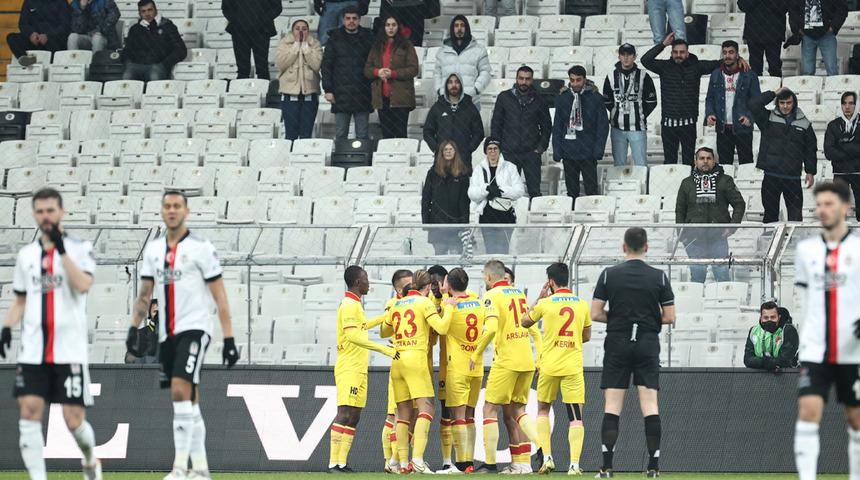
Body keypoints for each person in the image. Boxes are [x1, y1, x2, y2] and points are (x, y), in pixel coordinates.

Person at [125, 190, 240, 480]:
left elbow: (220, 295)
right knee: (188, 397)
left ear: (186, 211)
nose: (172, 210)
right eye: (167, 206)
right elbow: (145, 294)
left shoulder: (201, 248)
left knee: (179, 388)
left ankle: (179, 468)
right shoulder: (153, 251)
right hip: (168, 334)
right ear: (162, 211)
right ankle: (200, 470)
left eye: (177, 206)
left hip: (196, 328)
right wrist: (132, 327)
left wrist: (229, 339)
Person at [0, 188, 101, 480]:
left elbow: (83, 285)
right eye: (40, 211)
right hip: (33, 351)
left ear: (62, 212)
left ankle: (91, 460)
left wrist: (61, 250)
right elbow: (21, 300)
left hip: (69, 350)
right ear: (34, 215)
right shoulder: (26, 255)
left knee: (73, 420)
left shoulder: (80, 248)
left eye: (50, 211)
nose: (45, 216)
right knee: (29, 412)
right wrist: (6, 326)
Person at [590, 227, 676, 478]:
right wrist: (646, 320)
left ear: (624, 247)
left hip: (618, 342)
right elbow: (670, 317)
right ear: (646, 247)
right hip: (647, 343)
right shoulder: (659, 277)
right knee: (650, 404)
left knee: (612, 405)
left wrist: (619, 319)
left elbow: (595, 313)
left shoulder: (609, 274)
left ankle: (606, 467)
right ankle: (653, 467)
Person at [792, 180, 860, 480]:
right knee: (808, 412)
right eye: (818, 204)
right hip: (815, 348)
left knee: (855, 420)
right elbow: (805, 299)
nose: (822, 210)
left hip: (853, 350)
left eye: (829, 204)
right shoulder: (805, 250)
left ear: (846, 207)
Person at [471, 260, 543, 474]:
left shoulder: (491, 296)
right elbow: (534, 329)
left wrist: (476, 353)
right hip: (526, 360)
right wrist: (539, 357)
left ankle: (489, 463)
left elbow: (492, 329)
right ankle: (530, 459)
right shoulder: (519, 294)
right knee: (517, 411)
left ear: (488, 277)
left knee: (489, 408)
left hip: (506, 361)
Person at [521, 263, 591, 475]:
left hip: (549, 366)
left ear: (550, 281)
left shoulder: (546, 303)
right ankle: (574, 465)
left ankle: (547, 457)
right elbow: (587, 336)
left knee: (543, 410)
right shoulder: (581, 304)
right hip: (572, 366)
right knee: (576, 417)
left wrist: (539, 298)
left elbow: (524, 322)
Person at [327, 265, 397, 473]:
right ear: (358, 282)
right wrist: (384, 349)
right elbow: (352, 336)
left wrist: (385, 317)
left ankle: (342, 462)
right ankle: (333, 463)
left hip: (359, 367)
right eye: (366, 278)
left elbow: (362, 326)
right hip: (349, 366)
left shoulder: (355, 304)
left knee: (354, 415)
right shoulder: (349, 305)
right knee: (344, 413)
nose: (369, 282)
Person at [382, 269, 447, 473]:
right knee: (427, 409)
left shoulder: (397, 303)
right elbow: (442, 328)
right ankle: (417, 459)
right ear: (427, 287)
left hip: (397, 360)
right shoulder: (424, 302)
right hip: (416, 360)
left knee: (403, 413)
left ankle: (398, 462)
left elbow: (384, 331)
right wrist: (450, 307)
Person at [642, 33, 725, 165]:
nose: (678, 55)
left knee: (688, 161)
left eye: (682, 52)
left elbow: (719, 64)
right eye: (675, 52)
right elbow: (645, 60)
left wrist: (739, 59)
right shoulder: (664, 67)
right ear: (671, 53)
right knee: (670, 161)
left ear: (687, 53)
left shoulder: (697, 66)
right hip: (668, 124)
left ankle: (688, 179)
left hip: (689, 123)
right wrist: (663, 45)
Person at [438, 268, 492, 474]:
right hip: (476, 366)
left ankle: (461, 464)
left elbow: (441, 326)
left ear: (449, 285)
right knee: (470, 415)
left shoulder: (449, 305)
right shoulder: (478, 302)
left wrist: (445, 296)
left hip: (458, 367)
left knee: (458, 416)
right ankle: (469, 462)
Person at [675, 147, 747, 283]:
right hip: (693, 239)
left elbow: (739, 204)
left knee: (722, 276)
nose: (705, 161)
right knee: (697, 278)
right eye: (701, 158)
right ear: (695, 161)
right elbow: (680, 210)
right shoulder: (686, 183)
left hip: (718, 237)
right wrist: (681, 235)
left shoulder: (725, 180)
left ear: (714, 161)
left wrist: (732, 227)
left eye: (709, 158)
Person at [748, 87, 817, 223]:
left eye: (789, 103)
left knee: (795, 217)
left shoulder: (805, 123)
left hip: (793, 178)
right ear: (777, 103)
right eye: (782, 102)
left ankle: (794, 238)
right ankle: (770, 238)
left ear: (794, 103)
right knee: (770, 217)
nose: (785, 106)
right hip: (771, 177)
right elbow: (753, 104)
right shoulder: (767, 118)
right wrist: (774, 93)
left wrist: (810, 171)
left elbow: (810, 149)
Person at [491, 66, 553, 198]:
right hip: (509, 152)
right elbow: (496, 123)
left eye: (527, 79)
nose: (524, 82)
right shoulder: (504, 97)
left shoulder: (540, 99)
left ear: (532, 80)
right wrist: (498, 147)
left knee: (534, 192)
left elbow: (547, 126)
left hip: (532, 153)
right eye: (521, 78)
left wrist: (540, 148)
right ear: (516, 78)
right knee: (508, 192)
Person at [373, 269, 413, 474]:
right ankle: (390, 461)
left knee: (410, 416)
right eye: (408, 284)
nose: (412, 287)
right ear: (398, 289)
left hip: (415, 364)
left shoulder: (415, 302)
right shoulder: (392, 304)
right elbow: (384, 331)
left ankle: (401, 460)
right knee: (394, 415)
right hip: (399, 364)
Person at [553, 65, 609, 204]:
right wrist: (557, 150)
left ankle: (592, 213)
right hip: (568, 150)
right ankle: (572, 212)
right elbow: (558, 126)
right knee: (571, 191)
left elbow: (602, 126)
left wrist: (598, 150)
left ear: (584, 79)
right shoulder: (563, 98)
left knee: (591, 189)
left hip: (588, 151)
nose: (575, 83)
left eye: (578, 80)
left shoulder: (596, 98)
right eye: (572, 80)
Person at [320, 6, 374, 140]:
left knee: (362, 135)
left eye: (354, 18)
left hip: (363, 92)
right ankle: (340, 155)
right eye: (348, 18)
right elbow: (326, 66)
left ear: (359, 20)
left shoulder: (369, 37)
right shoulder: (334, 38)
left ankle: (362, 155)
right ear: (343, 20)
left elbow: (374, 63)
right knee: (340, 134)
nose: (351, 21)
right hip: (340, 94)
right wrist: (328, 89)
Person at [705, 41, 761, 166]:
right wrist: (710, 113)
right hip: (722, 128)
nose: (727, 56)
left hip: (743, 127)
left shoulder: (749, 75)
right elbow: (710, 98)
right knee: (725, 166)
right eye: (724, 53)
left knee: (746, 164)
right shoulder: (716, 74)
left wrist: (750, 117)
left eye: (731, 52)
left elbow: (757, 101)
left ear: (737, 54)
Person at [602, 44, 658, 167]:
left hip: (638, 128)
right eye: (623, 55)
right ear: (619, 56)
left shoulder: (643, 76)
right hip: (617, 128)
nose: (626, 58)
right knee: (619, 165)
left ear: (635, 56)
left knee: (641, 164)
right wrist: (616, 113)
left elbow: (652, 101)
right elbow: (606, 101)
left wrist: (640, 114)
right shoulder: (611, 76)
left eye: (629, 55)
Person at [468, 137, 526, 255]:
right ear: (485, 151)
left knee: (504, 250)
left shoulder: (510, 167)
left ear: (500, 150)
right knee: (490, 250)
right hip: (487, 215)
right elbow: (472, 193)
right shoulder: (479, 169)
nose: (492, 151)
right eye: (489, 149)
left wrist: (501, 191)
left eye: (495, 148)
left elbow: (520, 190)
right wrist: (486, 190)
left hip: (506, 214)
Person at [364, 15, 419, 139]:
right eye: (387, 25)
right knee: (386, 136)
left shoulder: (407, 45)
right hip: (382, 98)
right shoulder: (376, 46)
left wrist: (393, 73)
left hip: (401, 98)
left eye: (393, 25)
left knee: (400, 135)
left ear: (398, 27)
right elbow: (367, 69)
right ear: (383, 27)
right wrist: (377, 72)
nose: (390, 28)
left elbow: (414, 69)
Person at [275, 20, 323, 141]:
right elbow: (281, 64)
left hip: (310, 94)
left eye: (304, 29)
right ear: (292, 31)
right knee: (290, 133)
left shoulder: (315, 44)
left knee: (306, 133)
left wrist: (306, 48)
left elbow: (317, 65)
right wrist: (295, 47)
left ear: (308, 31)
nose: (301, 31)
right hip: (289, 94)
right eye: (297, 28)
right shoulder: (284, 44)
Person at [424, 74, 484, 167]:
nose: (453, 85)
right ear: (446, 85)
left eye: (457, 82)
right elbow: (427, 131)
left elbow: (479, 132)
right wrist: (437, 149)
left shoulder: (470, 107)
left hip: (463, 160)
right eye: (450, 82)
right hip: (442, 160)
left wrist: (468, 149)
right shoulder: (437, 107)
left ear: (461, 85)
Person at [422, 141, 471, 255]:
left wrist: (465, 224)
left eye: (451, 149)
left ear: (455, 152)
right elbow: (426, 199)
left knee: (456, 257)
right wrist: (426, 222)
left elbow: (465, 202)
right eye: (445, 149)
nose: (448, 152)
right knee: (439, 257)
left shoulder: (462, 174)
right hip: (437, 224)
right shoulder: (432, 173)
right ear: (441, 152)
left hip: (456, 224)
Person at [433, 16, 491, 109]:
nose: (459, 28)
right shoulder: (442, 52)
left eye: (462, 25)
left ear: (467, 28)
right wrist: (440, 91)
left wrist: (475, 90)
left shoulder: (479, 50)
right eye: (456, 25)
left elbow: (486, 72)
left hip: (471, 101)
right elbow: (437, 73)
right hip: (447, 101)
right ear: (452, 29)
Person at [122, 0, 187, 82]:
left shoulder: (168, 26)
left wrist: (164, 64)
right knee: (127, 75)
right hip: (137, 66)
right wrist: (128, 63)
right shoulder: (135, 29)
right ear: (139, 14)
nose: (147, 14)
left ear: (156, 10)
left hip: (158, 66)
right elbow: (127, 50)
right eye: (143, 11)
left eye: (150, 10)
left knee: (154, 75)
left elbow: (181, 50)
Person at [222, 0, 281, 80]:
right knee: (242, 70)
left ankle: (264, 87)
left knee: (262, 68)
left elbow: (277, 7)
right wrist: (238, 20)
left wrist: (262, 19)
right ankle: (242, 88)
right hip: (239, 30)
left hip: (262, 30)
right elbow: (226, 7)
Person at [823, 91, 860, 220]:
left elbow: (835, 150)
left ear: (857, 105)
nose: (847, 107)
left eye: (851, 103)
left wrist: (843, 146)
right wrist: (853, 150)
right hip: (840, 172)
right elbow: (828, 152)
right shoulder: (833, 125)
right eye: (844, 103)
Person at [787, 0, 848, 76]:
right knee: (808, 71)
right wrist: (797, 29)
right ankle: (809, 85)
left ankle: (832, 85)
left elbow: (842, 8)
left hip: (826, 34)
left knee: (832, 70)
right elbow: (793, 10)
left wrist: (833, 27)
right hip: (807, 34)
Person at [6, 0, 70, 65]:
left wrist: (48, 36)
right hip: (34, 40)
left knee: (58, 41)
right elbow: (22, 24)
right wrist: (31, 34)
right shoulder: (29, 2)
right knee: (11, 37)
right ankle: (26, 59)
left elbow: (65, 26)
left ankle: (52, 66)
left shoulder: (61, 2)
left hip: (53, 40)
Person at [737, 0, 788, 77]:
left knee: (774, 67)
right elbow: (742, 6)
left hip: (774, 33)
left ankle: (777, 85)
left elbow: (785, 7)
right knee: (755, 69)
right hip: (754, 33)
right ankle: (755, 85)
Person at [743, 301, 799, 371]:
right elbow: (747, 359)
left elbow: (785, 359)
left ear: (779, 317)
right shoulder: (754, 331)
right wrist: (764, 362)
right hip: (758, 375)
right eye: (766, 317)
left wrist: (770, 363)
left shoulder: (788, 331)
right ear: (761, 318)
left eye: (773, 317)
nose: (769, 320)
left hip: (785, 375)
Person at [125, 299, 159, 364]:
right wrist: (144, 360)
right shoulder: (139, 334)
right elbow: (128, 358)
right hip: (146, 369)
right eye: (155, 311)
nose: (158, 315)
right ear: (149, 313)